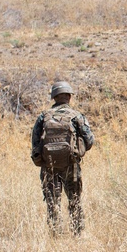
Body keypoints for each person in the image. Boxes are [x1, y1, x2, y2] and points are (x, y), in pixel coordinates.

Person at [30, 82, 95, 235]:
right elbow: (90, 140)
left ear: (54, 97)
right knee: (75, 200)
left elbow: (35, 143)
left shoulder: (43, 116)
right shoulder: (76, 116)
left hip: (48, 166)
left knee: (52, 202)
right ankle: (77, 234)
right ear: (69, 97)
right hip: (71, 165)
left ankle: (55, 234)